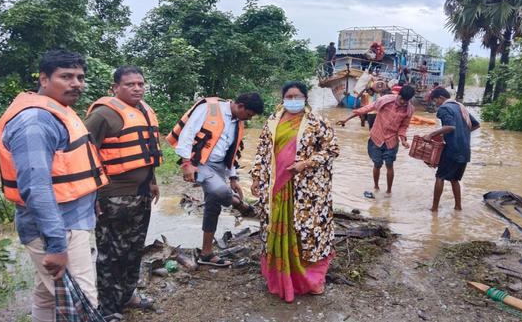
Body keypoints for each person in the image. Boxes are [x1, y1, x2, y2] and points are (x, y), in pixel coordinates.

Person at [0, 50, 109, 322]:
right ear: (44, 79)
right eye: (66, 76)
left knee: (47, 295)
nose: (76, 84)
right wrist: (56, 245)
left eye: (80, 77)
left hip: (69, 221)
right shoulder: (35, 121)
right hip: (57, 229)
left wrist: (92, 199)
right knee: (82, 302)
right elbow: (36, 187)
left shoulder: (58, 112)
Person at [84, 65, 162, 320]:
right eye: (130, 84)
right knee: (111, 255)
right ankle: (108, 309)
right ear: (115, 88)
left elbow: (148, 152)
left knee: (134, 249)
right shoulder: (104, 115)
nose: (137, 88)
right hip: (113, 197)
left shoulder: (145, 111)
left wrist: (152, 180)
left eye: (140, 83)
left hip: (141, 195)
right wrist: (93, 194)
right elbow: (84, 156)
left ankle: (127, 295)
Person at [250, 81, 339, 302]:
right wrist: (255, 177)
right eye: (288, 96)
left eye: (297, 96)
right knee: (275, 228)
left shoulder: (317, 122)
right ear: (283, 98)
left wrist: (306, 163)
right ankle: (281, 278)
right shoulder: (272, 121)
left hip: (306, 191)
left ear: (305, 98)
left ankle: (309, 280)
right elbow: (262, 152)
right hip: (276, 187)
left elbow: (332, 149)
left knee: (307, 232)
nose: (293, 100)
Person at [166, 93, 264, 266]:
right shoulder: (209, 108)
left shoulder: (238, 122)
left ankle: (206, 253)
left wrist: (233, 177)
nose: (248, 119)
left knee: (213, 206)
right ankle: (238, 203)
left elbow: (232, 151)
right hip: (200, 162)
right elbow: (187, 134)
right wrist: (187, 163)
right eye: (248, 115)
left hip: (220, 166)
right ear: (240, 106)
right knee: (220, 191)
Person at [337, 85, 415, 197]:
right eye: (401, 98)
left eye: (405, 101)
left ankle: (388, 191)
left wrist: (403, 140)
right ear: (398, 95)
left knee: (389, 165)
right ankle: (376, 186)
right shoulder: (385, 100)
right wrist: (346, 119)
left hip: (391, 140)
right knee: (377, 164)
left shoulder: (409, 110)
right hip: (376, 137)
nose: (402, 102)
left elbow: (404, 126)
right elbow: (366, 109)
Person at [423, 88, 480, 211]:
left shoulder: (444, 108)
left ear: (441, 98)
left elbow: (450, 126)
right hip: (465, 150)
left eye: (435, 101)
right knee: (454, 179)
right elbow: (476, 124)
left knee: (440, 176)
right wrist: (463, 133)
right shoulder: (460, 106)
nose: (435, 104)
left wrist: (431, 135)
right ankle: (458, 207)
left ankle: (434, 208)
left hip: (452, 149)